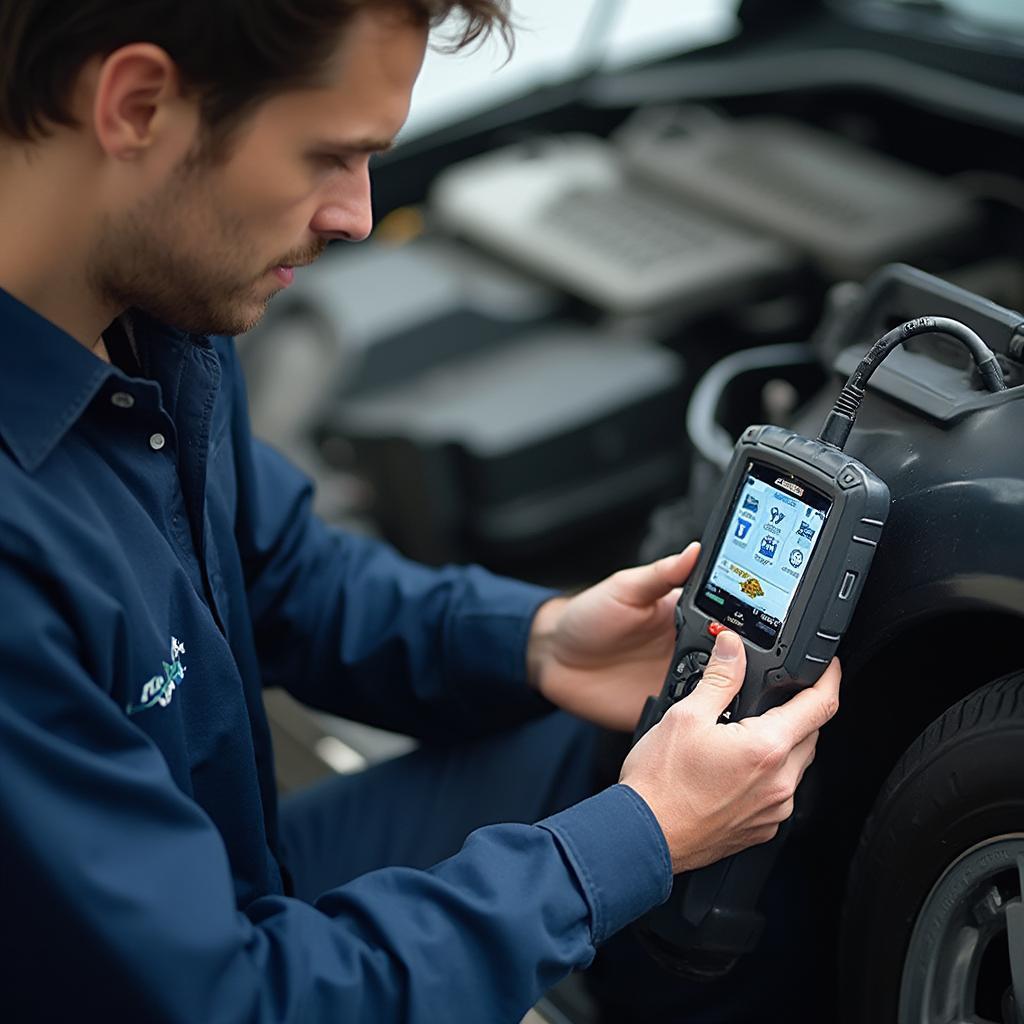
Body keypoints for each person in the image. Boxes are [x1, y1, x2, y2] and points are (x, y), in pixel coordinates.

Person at [0, 1, 841, 1021]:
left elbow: (279, 572)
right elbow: (228, 1002)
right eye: (330, 154)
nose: (356, 213)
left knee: (666, 750)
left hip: (228, 890)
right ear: (136, 105)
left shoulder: (147, 308)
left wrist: (537, 643)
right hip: (208, 981)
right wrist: (639, 838)